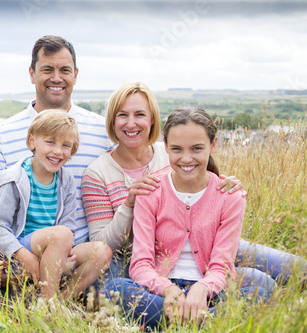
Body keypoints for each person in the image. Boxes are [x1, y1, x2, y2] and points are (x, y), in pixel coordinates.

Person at [81, 82, 306, 286]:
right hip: (139, 259)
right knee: (115, 290)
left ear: (152, 119)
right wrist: (129, 205)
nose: (131, 123)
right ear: (111, 120)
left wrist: (227, 183)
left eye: (140, 114)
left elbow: (200, 181)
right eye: (122, 115)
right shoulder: (98, 173)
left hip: (203, 242)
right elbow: (101, 245)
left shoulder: (171, 151)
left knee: (285, 268)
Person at [103, 106, 272, 329]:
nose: (186, 158)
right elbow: (140, 264)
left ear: (213, 145)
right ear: (165, 146)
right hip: (159, 292)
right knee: (114, 289)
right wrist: (169, 290)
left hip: (209, 291)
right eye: (176, 149)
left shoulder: (230, 196)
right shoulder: (150, 191)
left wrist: (202, 288)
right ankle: (205, 324)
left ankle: (175, 323)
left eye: (196, 149)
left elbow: (222, 265)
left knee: (262, 292)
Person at [0, 35, 114, 255]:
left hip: (76, 257)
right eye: (47, 70)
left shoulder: (102, 132)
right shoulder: (2, 134)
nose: (56, 78)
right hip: (20, 256)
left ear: (75, 76)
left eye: (65, 70)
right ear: (32, 74)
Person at [0, 110, 111, 299]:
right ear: (32, 142)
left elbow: (68, 227)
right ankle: (48, 302)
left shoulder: (66, 182)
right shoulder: (14, 180)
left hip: (52, 250)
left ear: (72, 151)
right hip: (16, 253)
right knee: (61, 233)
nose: (58, 151)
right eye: (50, 142)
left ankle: (62, 300)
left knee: (102, 251)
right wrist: (23, 255)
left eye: (66, 145)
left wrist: (60, 260)